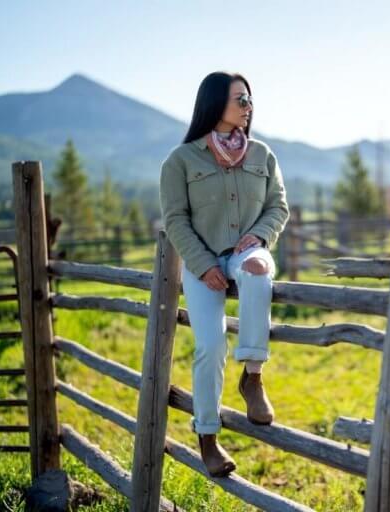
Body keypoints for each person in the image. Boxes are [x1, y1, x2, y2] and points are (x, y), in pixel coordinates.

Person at [159, 71, 289, 477]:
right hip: (203, 259)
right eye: (240, 100)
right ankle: (208, 436)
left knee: (257, 269)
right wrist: (203, 266)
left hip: (248, 250)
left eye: (249, 100)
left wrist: (259, 236)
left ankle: (253, 377)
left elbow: (278, 207)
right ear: (216, 103)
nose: (248, 107)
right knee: (210, 347)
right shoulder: (180, 161)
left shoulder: (263, 155)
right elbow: (176, 221)